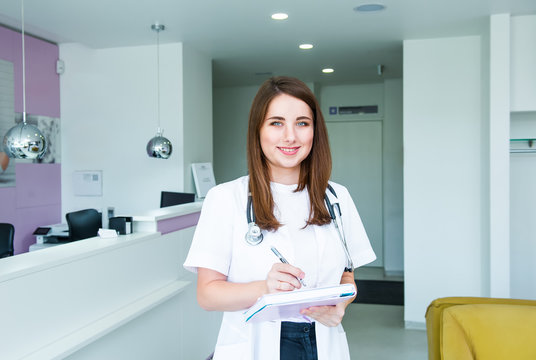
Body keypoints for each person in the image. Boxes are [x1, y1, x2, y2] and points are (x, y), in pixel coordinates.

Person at [184, 76, 376, 360]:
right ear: (258, 130)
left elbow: (347, 275)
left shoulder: (337, 197)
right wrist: (266, 288)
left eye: (302, 123)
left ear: (315, 131)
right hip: (255, 345)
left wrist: (341, 304)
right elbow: (208, 295)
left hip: (323, 341)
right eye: (276, 123)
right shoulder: (225, 198)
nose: (290, 137)